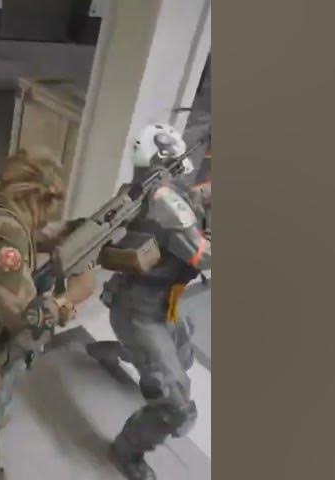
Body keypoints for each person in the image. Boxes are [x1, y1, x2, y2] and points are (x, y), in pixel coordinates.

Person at [0, 150, 96, 480]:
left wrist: (68, 234)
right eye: (51, 209)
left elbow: (33, 235)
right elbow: (30, 324)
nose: (49, 217)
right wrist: (72, 296)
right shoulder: (3, 235)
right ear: (42, 200)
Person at [87, 124, 211, 480]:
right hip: (139, 312)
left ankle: (120, 352)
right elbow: (203, 256)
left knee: (183, 356)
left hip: (161, 304)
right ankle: (127, 451)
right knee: (175, 403)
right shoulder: (162, 199)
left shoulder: (151, 190)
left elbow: (194, 200)